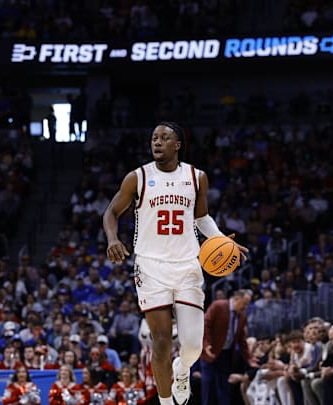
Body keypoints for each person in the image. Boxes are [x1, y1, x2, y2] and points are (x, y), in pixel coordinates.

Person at [103, 122, 247, 405]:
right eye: (154, 137)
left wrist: (221, 239)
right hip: (150, 266)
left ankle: (182, 370)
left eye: (164, 138)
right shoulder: (138, 177)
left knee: (192, 346)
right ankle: (166, 401)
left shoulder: (196, 177)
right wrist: (112, 239)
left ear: (177, 144)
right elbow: (111, 211)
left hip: (187, 265)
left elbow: (201, 218)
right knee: (161, 340)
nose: (157, 142)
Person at [201, 289, 256, 405]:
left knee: (224, 389)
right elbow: (205, 324)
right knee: (208, 387)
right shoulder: (218, 305)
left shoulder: (242, 316)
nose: (245, 307)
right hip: (210, 352)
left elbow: (242, 340)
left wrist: (249, 358)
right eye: (244, 303)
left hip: (226, 354)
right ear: (236, 299)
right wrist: (206, 344)